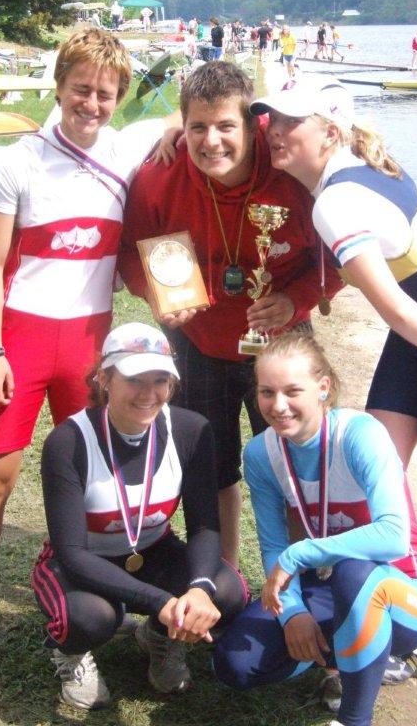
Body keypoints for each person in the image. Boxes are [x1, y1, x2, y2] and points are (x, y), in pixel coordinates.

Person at [0, 28, 182, 676]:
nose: (92, 104)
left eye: (106, 94)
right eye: (81, 89)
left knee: (94, 484)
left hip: (87, 346)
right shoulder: (18, 161)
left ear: (119, 98)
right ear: (59, 86)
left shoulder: (126, 152)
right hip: (21, 341)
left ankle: (81, 619)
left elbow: (194, 118)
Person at [249, 82, 417, 605]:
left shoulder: (336, 201)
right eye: (272, 120)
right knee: (370, 469)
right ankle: (372, 589)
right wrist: (171, 130)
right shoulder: (354, 164)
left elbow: (391, 304)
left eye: (291, 121)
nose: (275, 131)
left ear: (330, 132)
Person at [118, 61, 342, 568]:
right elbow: (130, 252)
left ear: (253, 125)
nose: (211, 142)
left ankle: (303, 571)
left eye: (225, 126)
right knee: (212, 468)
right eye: (197, 127)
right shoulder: (158, 175)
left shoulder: (291, 169)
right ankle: (224, 578)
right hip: (199, 342)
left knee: (297, 458)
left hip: (282, 340)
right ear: (182, 126)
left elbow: (336, 257)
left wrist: (296, 299)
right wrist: (155, 295)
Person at [213, 333, 417, 726]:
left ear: (323, 387)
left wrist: (300, 553)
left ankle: (355, 716)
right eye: (267, 392)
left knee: (356, 573)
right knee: (235, 663)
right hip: (328, 588)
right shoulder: (262, 453)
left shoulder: (360, 434)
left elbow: (393, 537)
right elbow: (273, 545)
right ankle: (347, 656)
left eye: (292, 391)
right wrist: (293, 613)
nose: (278, 405)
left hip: (406, 593)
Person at [32, 322, 248, 709]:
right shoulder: (67, 441)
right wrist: (161, 600)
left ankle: (160, 638)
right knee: (91, 619)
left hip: (153, 550)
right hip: (82, 562)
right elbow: (72, 553)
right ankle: (71, 653)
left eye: (160, 380)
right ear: (104, 379)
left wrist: (198, 589)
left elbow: (203, 526)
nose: (149, 394)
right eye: (134, 380)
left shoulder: (191, 430)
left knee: (229, 590)